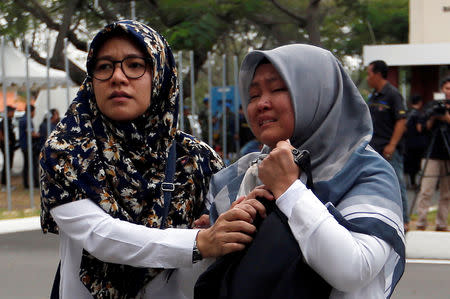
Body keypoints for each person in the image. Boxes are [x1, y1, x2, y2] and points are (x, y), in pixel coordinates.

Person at [40, 20, 256, 299]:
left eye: (134, 65)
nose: (118, 77)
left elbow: (224, 244)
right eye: (104, 66)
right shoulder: (67, 152)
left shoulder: (197, 158)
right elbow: (100, 235)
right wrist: (199, 242)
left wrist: (214, 225)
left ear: (160, 75)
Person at [197, 45, 405, 298]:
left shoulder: (364, 171)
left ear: (318, 94)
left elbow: (353, 269)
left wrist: (288, 189)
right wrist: (212, 237)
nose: (261, 104)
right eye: (252, 95)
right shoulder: (239, 175)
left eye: (278, 89)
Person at [367, 60, 409, 232]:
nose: (368, 78)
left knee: (397, 184)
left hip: (389, 151)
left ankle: (404, 221)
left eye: (369, 74)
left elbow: (402, 121)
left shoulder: (393, 94)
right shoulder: (373, 96)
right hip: (373, 149)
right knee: (374, 184)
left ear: (378, 74)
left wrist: (392, 145)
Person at [415, 77, 450, 231]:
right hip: (432, 153)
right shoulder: (432, 106)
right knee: (426, 190)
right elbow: (422, 127)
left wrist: (446, 117)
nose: (449, 92)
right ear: (442, 89)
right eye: (447, 88)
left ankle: (441, 224)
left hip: (448, 155)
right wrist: (433, 117)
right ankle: (421, 222)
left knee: (447, 193)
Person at [404, 95, 427, 189]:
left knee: (409, 163)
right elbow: (419, 128)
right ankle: (417, 183)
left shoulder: (407, 112)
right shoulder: (418, 114)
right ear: (420, 102)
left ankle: (411, 182)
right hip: (418, 143)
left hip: (408, 142)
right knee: (417, 164)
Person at [19, 105, 40, 188]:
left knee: (26, 165)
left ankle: (26, 184)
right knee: (33, 165)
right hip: (28, 146)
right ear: (31, 111)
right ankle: (35, 184)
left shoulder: (22, 119)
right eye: (34, 112)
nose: (34, 114)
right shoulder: (27, 120)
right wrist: (39, 135)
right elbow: (31, 133)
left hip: (24, 145)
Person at [0, 105, 17, 189]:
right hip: (6, 146)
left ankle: (5, 183)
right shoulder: (4, 121)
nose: (13, 113)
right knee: (7, 164)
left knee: (9, 164)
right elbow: (1, 133)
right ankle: (5, 184)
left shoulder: (9, 120)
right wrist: (6, 141)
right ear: (8, 112)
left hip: (10, 146)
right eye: (12, 111)